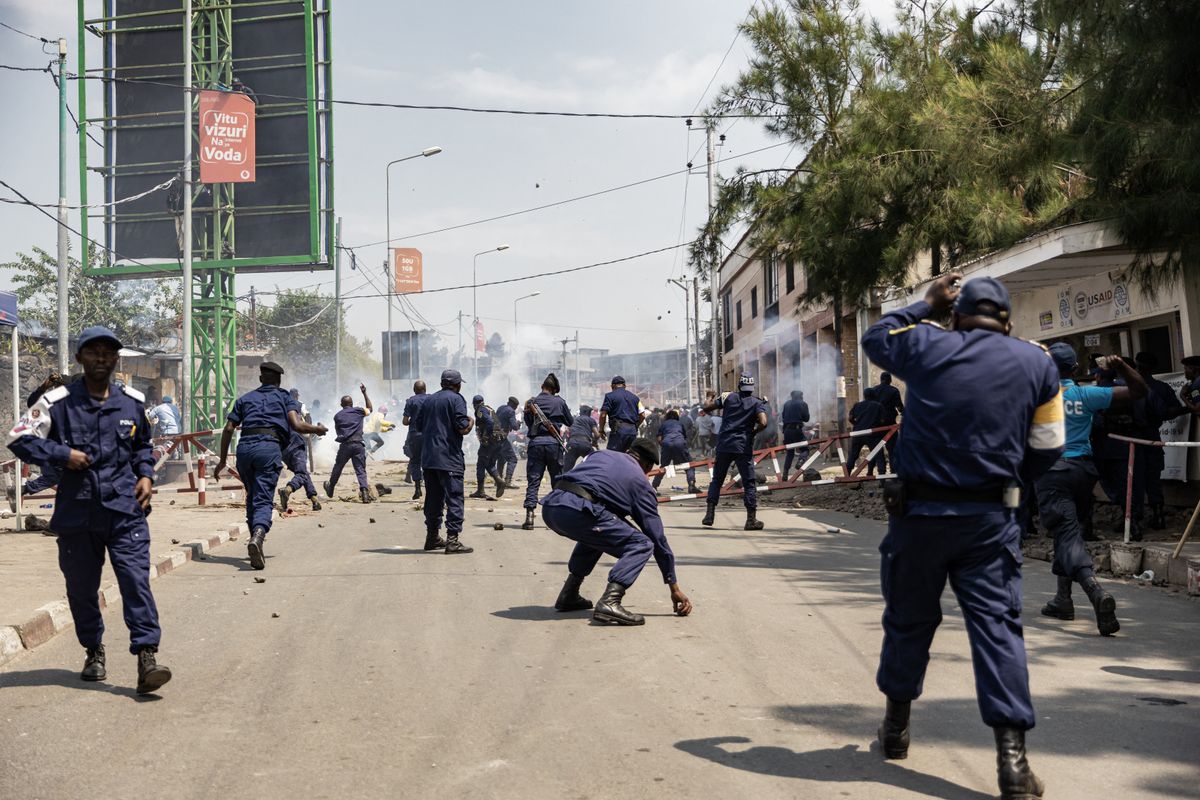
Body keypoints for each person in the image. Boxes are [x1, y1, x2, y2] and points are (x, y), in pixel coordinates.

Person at [861, 273, 1066, 799]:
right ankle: (1014, 765)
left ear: (955, 317)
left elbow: (875, 338)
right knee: (998, 630)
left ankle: (896, 729)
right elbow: (1048, 448)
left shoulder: (928, 344)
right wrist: (1005, 470)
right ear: (1008, 322)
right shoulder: (1038, 364)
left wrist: (921, 304)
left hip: (919, 519)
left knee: (908, 622)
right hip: (991, 524)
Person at [6, 327, 174, 694]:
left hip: (125, 510)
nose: (101, 358)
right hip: (77, 513)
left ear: (116, 359)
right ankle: (93, 649)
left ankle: (147, 655)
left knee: (135, 581)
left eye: (108, 353)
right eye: (93, 352)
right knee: (82, 590)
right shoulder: (56, 403)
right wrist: (62, 455)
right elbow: (18, 438)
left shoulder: (132, 402)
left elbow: (143, 445)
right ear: (80, 358)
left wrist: (145, 474)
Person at [1038, 345, 1145, 634]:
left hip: (1052, 473)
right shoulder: (1085, 394)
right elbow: (1138, 391)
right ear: (1074, 371)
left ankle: (1095, 592)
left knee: (1067, 533)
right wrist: (1120, 366)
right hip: (1083, 473)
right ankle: (1063, 600)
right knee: (1067, 531)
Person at [541, 439, 692, 625]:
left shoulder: (601, 454)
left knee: (600, 530)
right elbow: (657, 538)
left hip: (551, 506)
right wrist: (673, 586)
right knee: (643, 544)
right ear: (648, 465)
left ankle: (569, 593)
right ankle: (610, 601)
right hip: (579, 510)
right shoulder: (640, 482)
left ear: (629, 451)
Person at [215, 362, 327, 569]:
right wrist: (317, 429)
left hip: (245, 449)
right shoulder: (285, 397)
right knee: (264, 498)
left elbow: (229, 428)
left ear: (260, 379)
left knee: (252, 495)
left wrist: (222, 460)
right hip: (268, 448)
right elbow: (297, 425)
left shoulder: (244, 399)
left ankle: (255, 541)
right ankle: (258, 535)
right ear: (279, 380)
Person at [701, 374, 767, 531]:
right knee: (749, 482)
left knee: (717, 479)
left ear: (739, 386)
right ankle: (751, 520)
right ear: (752, 388)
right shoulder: (757, 402)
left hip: (724, 445)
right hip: (743, 447)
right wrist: (754, 432)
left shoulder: (728, 398)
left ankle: (709, 515)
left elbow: (706, 407)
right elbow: (764, 422)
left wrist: (710, 395)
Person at [419, 369, 474, 553]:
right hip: (449, 458)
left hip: (429, 458)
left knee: (433, 499)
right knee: (454, 498)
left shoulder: (428, 400)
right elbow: (462, 427)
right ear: (457, 385)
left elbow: (418, 425)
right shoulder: (457, 399)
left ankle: (432, 537)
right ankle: (452, 540)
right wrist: (471, 423)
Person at [1133, 352, 1190, 529]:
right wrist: (1188, 408)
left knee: (1132, 478)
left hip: (1132, 439)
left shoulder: (1127, 386)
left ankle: (1134, 519)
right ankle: (1157, 516)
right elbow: (1170, 412)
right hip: (1151, 436)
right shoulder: (1161, 388)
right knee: (1153, 478)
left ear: (1137, 365)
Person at [522, 373, 573, 530]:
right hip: (553, 444)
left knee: (534, 480)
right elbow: (570, 421)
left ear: (542, 387)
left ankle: (530, 516)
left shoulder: (532, 402)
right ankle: (559, 518)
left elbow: (528, 423)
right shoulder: (559, 402)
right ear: (553, 389)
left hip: (536, 444)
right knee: (557, 481)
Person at [323, 384, 374, 504]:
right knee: (360, 470)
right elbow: (370, 408)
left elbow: (338, 431)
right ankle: (365, 493)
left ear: (341, 405)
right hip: (358, 444)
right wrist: (364, 393)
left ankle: (331, 488)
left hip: (346, 445)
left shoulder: (337, 416)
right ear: (351, 404)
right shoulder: (359, 411)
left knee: (338, 467)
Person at [278, 388, 321, 513]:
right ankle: (288, 490)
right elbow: (307, 418)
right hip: (297, 443)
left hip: (283, 447)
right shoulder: (299, 404)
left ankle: (314, 499)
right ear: (296, 396)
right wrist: (310, 432)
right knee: (302, 474)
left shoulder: (278, 407)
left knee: (302, 471)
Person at [652, 408, 699, 495]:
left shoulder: (664, 424)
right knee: (689, 465)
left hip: (666, 444)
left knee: (663, 467)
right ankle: (691, 485)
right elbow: (684, 437)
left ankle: (654, 487)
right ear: (677, 417)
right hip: (679, 443)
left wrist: (665, 446)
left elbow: (659, 438)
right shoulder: (679, 424)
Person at [470, 395, 507, 500]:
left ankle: (481, 491)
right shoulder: (489, 408)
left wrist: (486, 436)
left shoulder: (480, 410)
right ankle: (499, 481)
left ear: (475, 404)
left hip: (490, 442)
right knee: (489, 464)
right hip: (498, 441)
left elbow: (490, 422)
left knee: (481, 464)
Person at [598, 376, 644, 453]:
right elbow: (642, 415)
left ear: (612, 386)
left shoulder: (609, 396)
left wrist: (601, 430)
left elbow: (603, 415)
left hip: (618, 432)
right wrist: (635, 426)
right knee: (629, 457)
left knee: (613, 455)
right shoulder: (635, 398)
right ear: (624, 385)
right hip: (632, 432)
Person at [849, 387, 887, 476]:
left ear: (864, 396)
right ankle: (882, 480)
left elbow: (850, 418)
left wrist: (856, 424)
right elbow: (882, 421)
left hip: (858, 434)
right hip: (873, 434)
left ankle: (847, 476)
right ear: (874, 395)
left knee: (853, 455)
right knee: (878, 455)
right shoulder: (878, 405)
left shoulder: (857, 405)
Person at [402, 380, 428, 500]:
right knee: (429, 461)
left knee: (415, 461)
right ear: (425, 389)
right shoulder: (432, 399)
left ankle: (417, 488)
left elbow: (405, 421)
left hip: (415, 435)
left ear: (414, 390)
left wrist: (413, 420)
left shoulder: (411, 401)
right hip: (430, 435)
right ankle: (430, 488)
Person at [780, 390, 810, 483]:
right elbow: (806, 418)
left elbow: (783, 417)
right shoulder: (803, 404)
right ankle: (800, 461)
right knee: (805, 449)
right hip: (797, 430)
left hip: (787, 431)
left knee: (790, 452)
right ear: (800, 396)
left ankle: (785, 474)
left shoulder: (786, 404)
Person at [874, 372, 904, 463]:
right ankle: (893, 471)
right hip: (890, 423)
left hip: (877, 424)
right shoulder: (894, 390)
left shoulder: (873, 390)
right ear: (890, 380)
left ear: (880, 379)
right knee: (892, 448)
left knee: (878, 449)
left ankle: (881, 472)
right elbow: (899, 407)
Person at [564, 404, 600, 471]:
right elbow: (597, 435)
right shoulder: (590, 420)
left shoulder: (573, 420)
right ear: (588, 413)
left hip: (572, 443)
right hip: (585, 444)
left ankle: (563, 480)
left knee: (566, 469)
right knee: (594, 463)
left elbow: (567, 431)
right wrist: (594, 442)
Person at [496, 396, 522, 488]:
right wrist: (518, 423)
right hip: (502, 438)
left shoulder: (500, 408)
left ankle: (498, 480)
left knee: (501, 459)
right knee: (513, 459)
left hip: (495, 438)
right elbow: (514, 427)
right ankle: (508, 481)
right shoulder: (511, 411)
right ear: (514, 405)